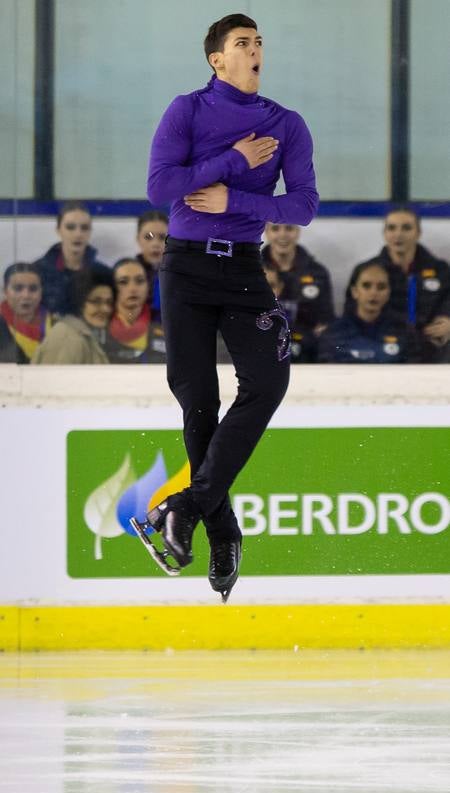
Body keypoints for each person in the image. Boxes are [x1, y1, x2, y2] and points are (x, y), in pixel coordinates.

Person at [133, 13, 318, 601]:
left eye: (259, 41)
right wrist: (232, 161)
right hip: (184, 265)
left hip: (242, 268)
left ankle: (187, 506)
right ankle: (223, 532)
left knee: (268, 381)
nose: (256, 49)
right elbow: (161, 189)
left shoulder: (286, 124)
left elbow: (304, 206)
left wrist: (233, 198)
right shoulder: (186, 110)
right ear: (217, 59)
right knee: (198, 400)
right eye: (243, 43)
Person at [344, 207, 450, 362]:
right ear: (384, 233)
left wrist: (448, 321)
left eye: (406, 228)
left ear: (418, 233)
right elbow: (352, 312)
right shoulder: (366, 271)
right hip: (384, 345)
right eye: (391, 228)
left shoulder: (440, 269)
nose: (398, 234)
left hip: (433, 345)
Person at [262, 223, 334, 361]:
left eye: (289, 228)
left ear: (298, 231)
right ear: (266, 232)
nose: (283, 234)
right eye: (275, 229)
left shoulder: (318, 273)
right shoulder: (252, 270)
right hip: (261, 345)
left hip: (308, 351)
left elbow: (326, 320)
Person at [318, 261, 407, 364]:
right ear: (355, 292)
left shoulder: (404, 334)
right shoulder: (333, 334)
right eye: (366, 286)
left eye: (381, 287)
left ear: (388, 294)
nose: (374, 293)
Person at [34, 201, 111, 316]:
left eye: (84, 228)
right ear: (59, 230)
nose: (78, 234)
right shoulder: (37, 272)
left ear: (90, 232)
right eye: (70, 227)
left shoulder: (103, 274)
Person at [31, 269, 114, 364]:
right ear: (78, 301)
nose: (106, 309)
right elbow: (53, 378)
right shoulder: (68, 338)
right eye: (96, 301)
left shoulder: (81, 334)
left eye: (109, 302)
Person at [105, 258, 166, 363]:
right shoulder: (100, 326)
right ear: (112, 287)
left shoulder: (165, 324)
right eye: (123, 282)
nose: (133, 288)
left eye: (140, 281)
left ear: (148, 286)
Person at [0, 263, 51, 363]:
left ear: (41, 291)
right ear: (5, 291)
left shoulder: (55, 324)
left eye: (33, 289)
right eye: (18, 288)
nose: (26, 295)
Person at [135, 209, 169, 322]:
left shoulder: (182, 274)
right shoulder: (126, 274)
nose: (155, 244)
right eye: (148, 237)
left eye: (162, 237)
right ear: (138, 239)